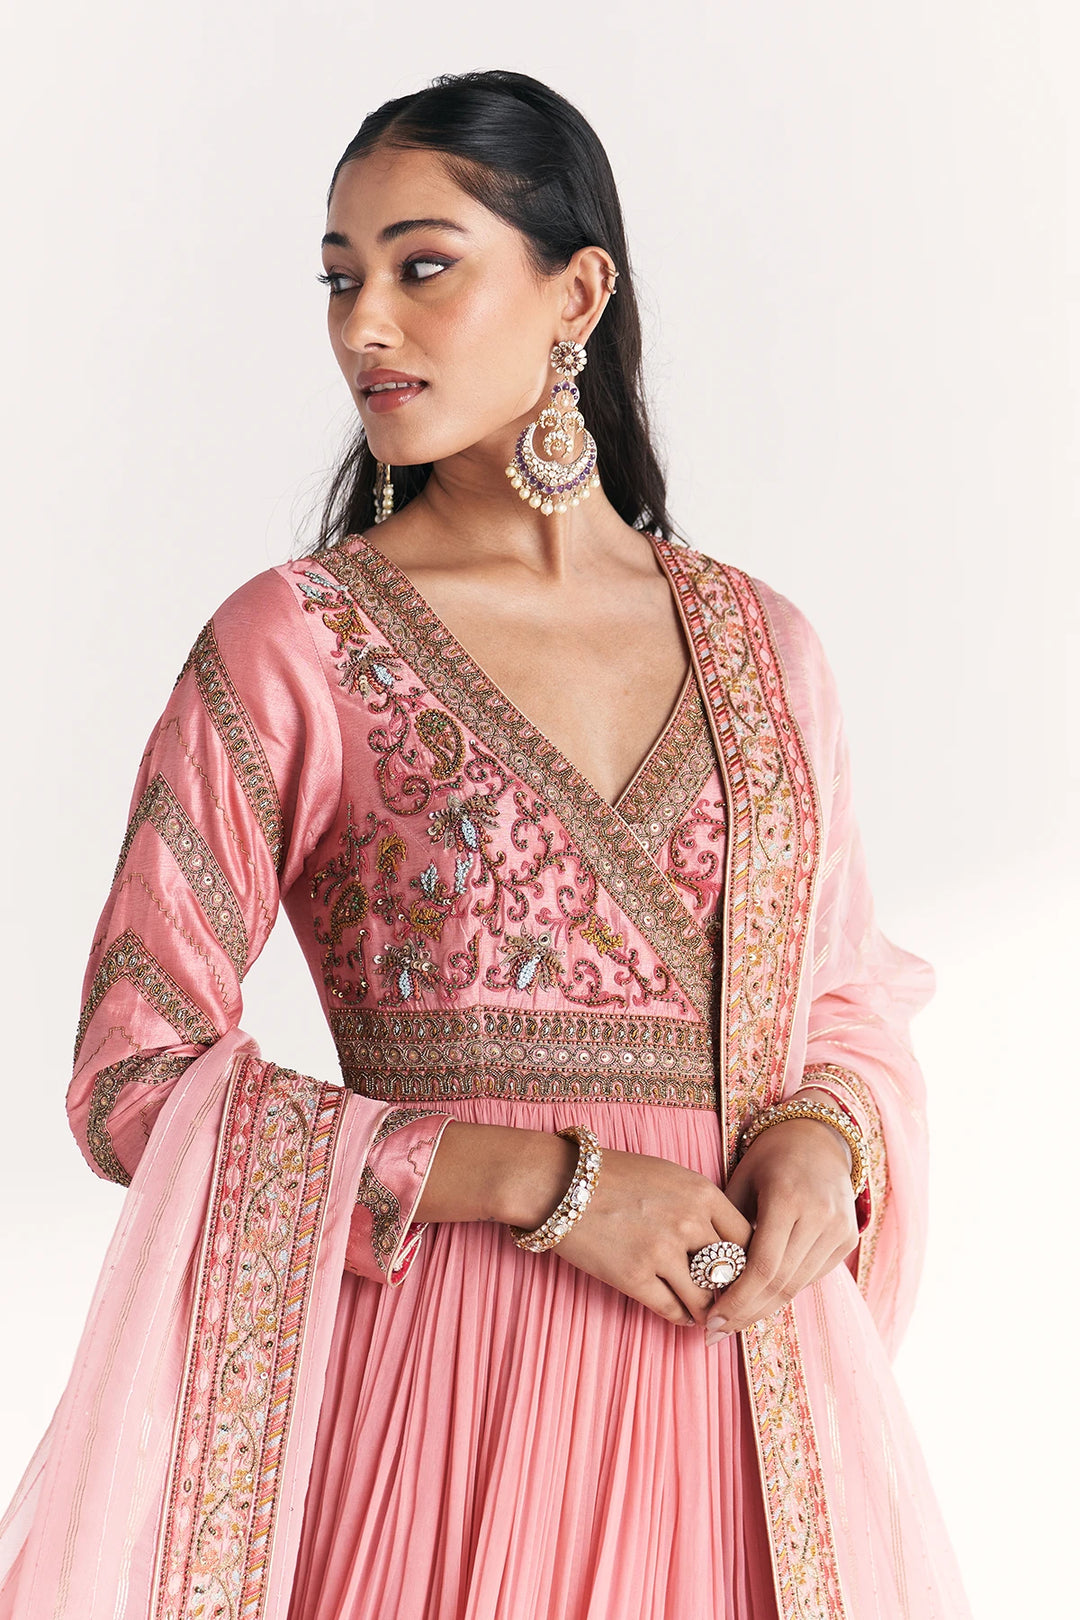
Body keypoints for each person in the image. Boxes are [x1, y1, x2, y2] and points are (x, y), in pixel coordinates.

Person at [0, 69, 972, 1620]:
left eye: (420, 264)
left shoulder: (763, 649)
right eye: (339, 279)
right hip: (438, 1404)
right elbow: (134, 1072)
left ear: (576, 289)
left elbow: (844, 1002)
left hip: (738, 1413)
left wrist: (821, 1143)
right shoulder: (296, 644)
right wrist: (552, 1185)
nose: (363, 325)